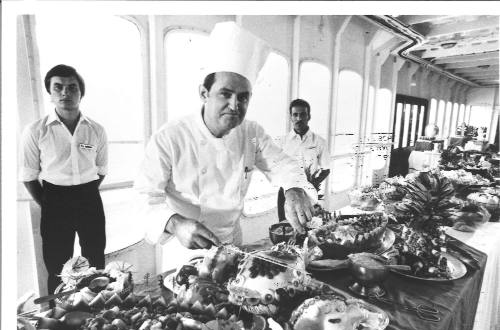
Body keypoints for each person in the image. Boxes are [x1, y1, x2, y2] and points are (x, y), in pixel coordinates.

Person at [135, 22, 316, 260]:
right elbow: (144, 198)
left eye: (243, 97)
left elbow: (282, 164)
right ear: (204, 93)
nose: (235, 105)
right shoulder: (170, 137)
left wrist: (294, 188)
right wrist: (175, 223)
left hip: (231, 243)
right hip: (185, 249)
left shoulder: (251, 132)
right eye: (225, 94)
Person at [20, 64, 108, 295]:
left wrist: (83, 192)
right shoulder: (36, 131)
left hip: (89, 198)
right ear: (50, 92)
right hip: (54, 200)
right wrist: (49, 203)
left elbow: (101, 169)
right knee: (58, 265)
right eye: (58, 87)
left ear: (81, 93)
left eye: (72, 87)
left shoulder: (96, 130)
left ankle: (97, 313)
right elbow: (28, 176)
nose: (65, 93)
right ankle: (57, 318)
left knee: (96, 260)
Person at [277, 99, 330, 221]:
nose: (299, 118)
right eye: (295, 114)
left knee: (309, 224)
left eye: (302, 114)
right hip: (286, 193)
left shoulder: (319, 142)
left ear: (308, 116)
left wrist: (311, 184)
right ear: (291, 117)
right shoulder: (282, 142)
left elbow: (326, 169)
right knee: (285, 226)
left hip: (309, 192)